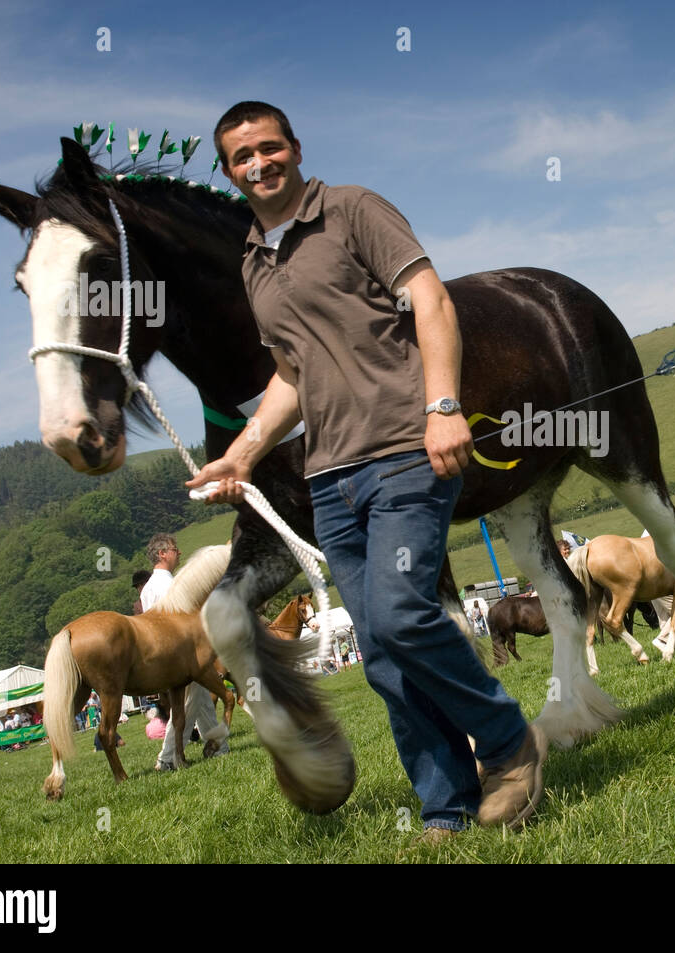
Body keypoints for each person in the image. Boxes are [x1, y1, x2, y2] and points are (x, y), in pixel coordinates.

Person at [187, 101, 545, 837]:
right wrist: (246, 449)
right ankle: (444, 802)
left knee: (403, 614)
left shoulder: (352, 211)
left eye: (267, 147)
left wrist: (444, 403)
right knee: (379, 649)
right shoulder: (255, 262)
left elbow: (432, 300)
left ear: (293, 146)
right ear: (228, 171)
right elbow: (291, 370)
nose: (258, 164)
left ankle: (508, 740)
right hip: (329, 477)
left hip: (405, 452)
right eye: (240, 157)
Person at [140, 533, 229, 769]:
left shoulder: (148, 588)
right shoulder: (170, 584)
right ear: (162, 554)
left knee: (201, 701)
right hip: (183, 653)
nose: (178, 553)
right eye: (174, 549)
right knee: (189, 705)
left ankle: (218, 746)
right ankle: (167, 757)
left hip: (165, 654)